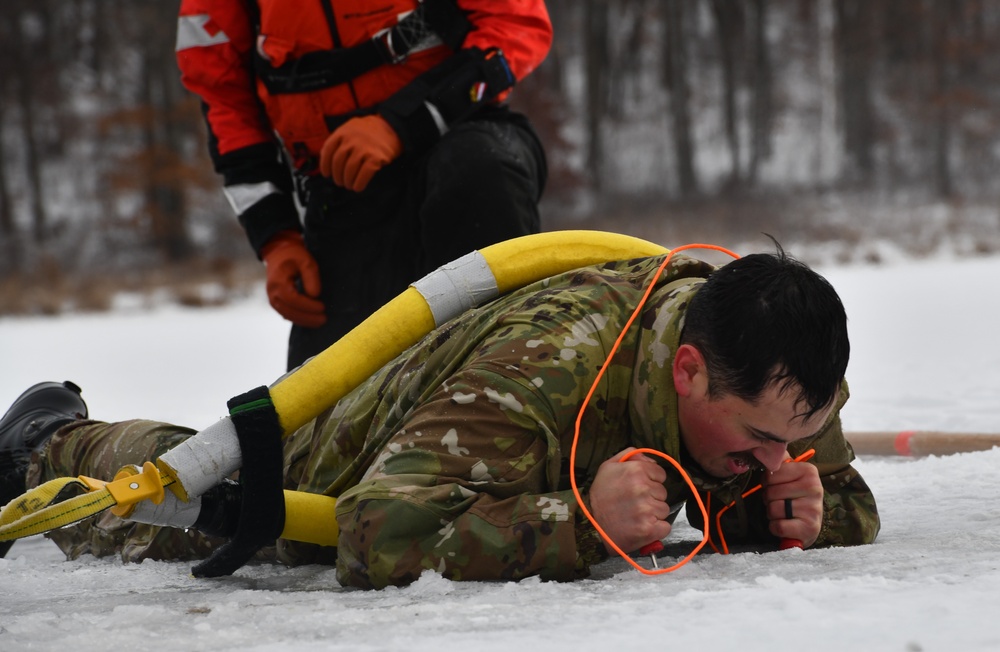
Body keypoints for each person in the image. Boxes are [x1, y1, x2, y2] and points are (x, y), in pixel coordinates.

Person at [0, 247, 880, 588]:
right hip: (349, 458)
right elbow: (376, 527)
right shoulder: (548, 368)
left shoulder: (778, 377)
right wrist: (579, 522)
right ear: (687, 372)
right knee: (204, 504)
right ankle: (45, 441)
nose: (779, 454)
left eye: (794, 438)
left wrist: (801, 506)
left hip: (494, 462)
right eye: (762, 443)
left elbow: (840, 490)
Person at [175, 1, 553, 371]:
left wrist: (401, 123)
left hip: (465, 146)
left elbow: (517, 25)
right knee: (322, 412)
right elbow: (225, 100)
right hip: (343, 194)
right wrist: (276, 238)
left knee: (480, 169)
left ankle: (511, 373)